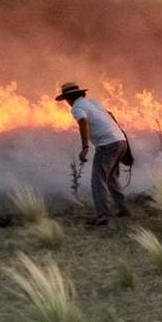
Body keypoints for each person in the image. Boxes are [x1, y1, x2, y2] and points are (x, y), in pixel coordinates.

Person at [56, 82, 130, 225]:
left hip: (107, 145)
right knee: (112, 178)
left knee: (98, 180)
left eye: (66, 99)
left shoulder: (77, 108)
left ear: (69, 98)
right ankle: (124, 210)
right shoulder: (93, 103)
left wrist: (85, 147)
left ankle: (103, 216)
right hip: (120, 141)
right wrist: (117, 132)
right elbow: (110, 114)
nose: (67, 103)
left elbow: (83, 121)